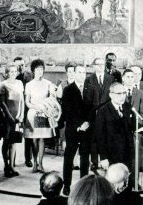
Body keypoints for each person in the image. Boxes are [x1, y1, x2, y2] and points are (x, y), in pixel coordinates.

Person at [60, 64, 91, 196]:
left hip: (87, 129)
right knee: (69, 158)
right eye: (79, 72)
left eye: (84, 72)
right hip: (73, 128)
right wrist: (79, 124)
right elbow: (67, 110)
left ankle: (83, 184)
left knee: (85, 158)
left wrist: (88, 123)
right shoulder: (68, 90)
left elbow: (93, 109)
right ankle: (66, 185)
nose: (82, 74)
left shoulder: (91, 89)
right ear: (74, 73)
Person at [25, 59, 56, 173]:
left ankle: (41, 163)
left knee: (42, 139)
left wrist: (46, 105)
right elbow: (27, 102)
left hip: (43, 113)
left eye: (41, 69)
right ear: (33, 71)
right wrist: (35, 107)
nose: (40, 71)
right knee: (34, 140)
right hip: (33, 112)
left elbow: (52, 98)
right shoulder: (29, 85)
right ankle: (34, 163)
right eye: (37, 69)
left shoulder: (48, 83)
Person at [96, 82, 134, 176]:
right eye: (119, 94)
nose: (122, 96)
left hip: (126, 153)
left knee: (126, 181)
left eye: (124, 93)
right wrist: (103, 157)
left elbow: (130, 127)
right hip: (111, 155)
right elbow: (100, 136)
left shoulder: (127, 107)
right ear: (111, 95)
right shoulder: (103, 110)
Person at [84, 58, 114, 171]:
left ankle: (105, 160)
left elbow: (112, 95)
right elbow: (87, 98)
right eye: (98, 64)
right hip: (93, 113)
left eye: (102, 64)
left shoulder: (110, 78)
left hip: (106, 112)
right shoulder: (89, 79)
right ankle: (94, 162)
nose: (100, 66)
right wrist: (93, 110)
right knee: (94, 138)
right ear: (94, 66)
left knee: (105, 137)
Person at [0, 63, 25, 177]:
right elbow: (2, 103)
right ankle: (6, 165)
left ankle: (12, 166)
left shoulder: (19, 83)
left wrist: (21, 115)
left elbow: (22, 101)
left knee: (14, 142)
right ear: (7, 73)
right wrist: (9, 117)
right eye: (11, 71)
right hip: (7, 117)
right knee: (7, 141)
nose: (13, 73)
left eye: (15, 71)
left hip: (17, 117)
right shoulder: (3, 84)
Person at [122, 69, 143, 175]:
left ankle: (134, 180)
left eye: (132, 77)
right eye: (127, 77)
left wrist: (137, 126)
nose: (130, 79)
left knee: (135, 157)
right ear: (123, 78)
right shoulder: (119, 91)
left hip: (135, 129)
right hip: (121, 129)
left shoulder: (140, 92)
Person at [14, 57, 33, 168]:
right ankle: (12, 160)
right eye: (17, 65)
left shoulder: (30, 76)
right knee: (14, 136)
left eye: (22, 65)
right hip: (15, 109)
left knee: (28, 136)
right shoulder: (12, 76)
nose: (20, 68)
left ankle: (28, 159)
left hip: (28, 108)